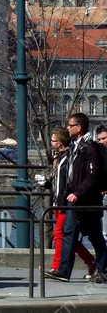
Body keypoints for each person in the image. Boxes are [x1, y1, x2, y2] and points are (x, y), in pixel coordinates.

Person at [47, 112, 107, 282]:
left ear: (79, 128)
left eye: (70, 125)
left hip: (86, 200)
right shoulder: (76, 146)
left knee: (94, 235)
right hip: (75, 199)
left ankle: (101, 268)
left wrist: (77, 193)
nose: (68, 128)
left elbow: (92, 175)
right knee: (70, 233)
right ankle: (64, 271)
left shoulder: (89, 147)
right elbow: (72, 175)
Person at [44, 127, 96, 278]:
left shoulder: (68, 157)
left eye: (53, 140)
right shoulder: (59, 157)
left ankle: (58, 266)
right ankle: (90, 261)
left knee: (61, 234)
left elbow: (69, 180)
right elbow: (57, 179)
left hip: (65, 201)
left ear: (60, 142)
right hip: (58, 201)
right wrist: (47, 182)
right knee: (67, 236)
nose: (51, 143)